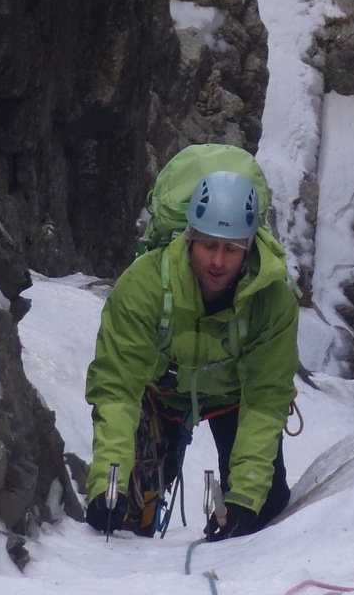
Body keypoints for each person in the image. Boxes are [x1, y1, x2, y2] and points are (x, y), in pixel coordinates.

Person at [83, 159, 299, 541]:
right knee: (124, 514)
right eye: (208, 246)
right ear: (189, 238)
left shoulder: (272, 299)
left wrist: (245, 500)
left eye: (231, 249)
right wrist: (107, 481)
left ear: (250, 248)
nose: (218, 261)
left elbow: (265, 400)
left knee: (262, 507)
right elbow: (117, 387)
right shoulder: (145, 286)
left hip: (233, 397)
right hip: (159, 392)